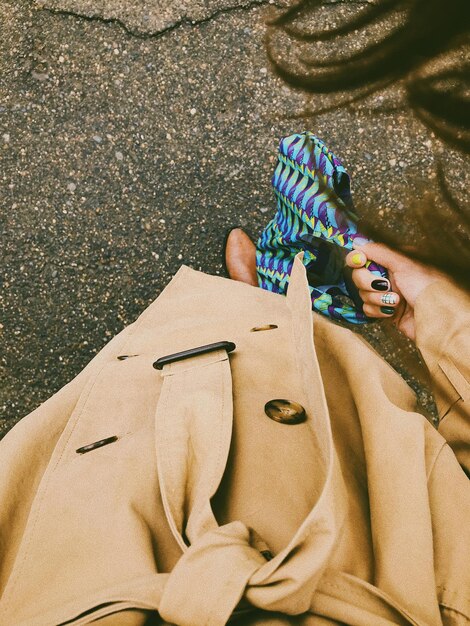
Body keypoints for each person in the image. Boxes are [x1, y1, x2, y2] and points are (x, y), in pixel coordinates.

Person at [0, 223, 469, 625]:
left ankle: (248, 302)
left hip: (81, 585)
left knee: (140, 407)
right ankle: (268, 309)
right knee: (311, 410)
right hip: (380, 576)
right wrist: (439, 316)